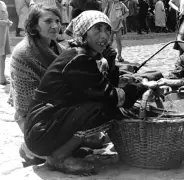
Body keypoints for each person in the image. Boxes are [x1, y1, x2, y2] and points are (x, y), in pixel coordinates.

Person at [24, 10, 146, 174]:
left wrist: (111, 64)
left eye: (107, 30)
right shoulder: (79, 58)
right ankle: (59, 157)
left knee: (102, 105)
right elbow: (110, 96)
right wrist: (141, 87)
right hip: (41, 130)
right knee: (104, 109)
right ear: (83, 33)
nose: (104, 36)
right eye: (97, 29)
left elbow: (102, 87)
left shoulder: (85, 56)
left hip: (45, 127)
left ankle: (69, 147)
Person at [9, 4, 63, 166]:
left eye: (58, 21)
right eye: (48, 21)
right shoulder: (24, 53)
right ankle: (31, 148)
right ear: (34, 26)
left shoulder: (57, 48)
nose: (55, 26)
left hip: (52, 108)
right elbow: (27, 104)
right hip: (32, 116)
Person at [0, 1, 12, 85]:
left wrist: (8, 21)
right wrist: (2, 22)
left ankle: (2, 77)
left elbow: (5, 17)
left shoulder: (2, 3)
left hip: (4, 31)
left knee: (3, 55)